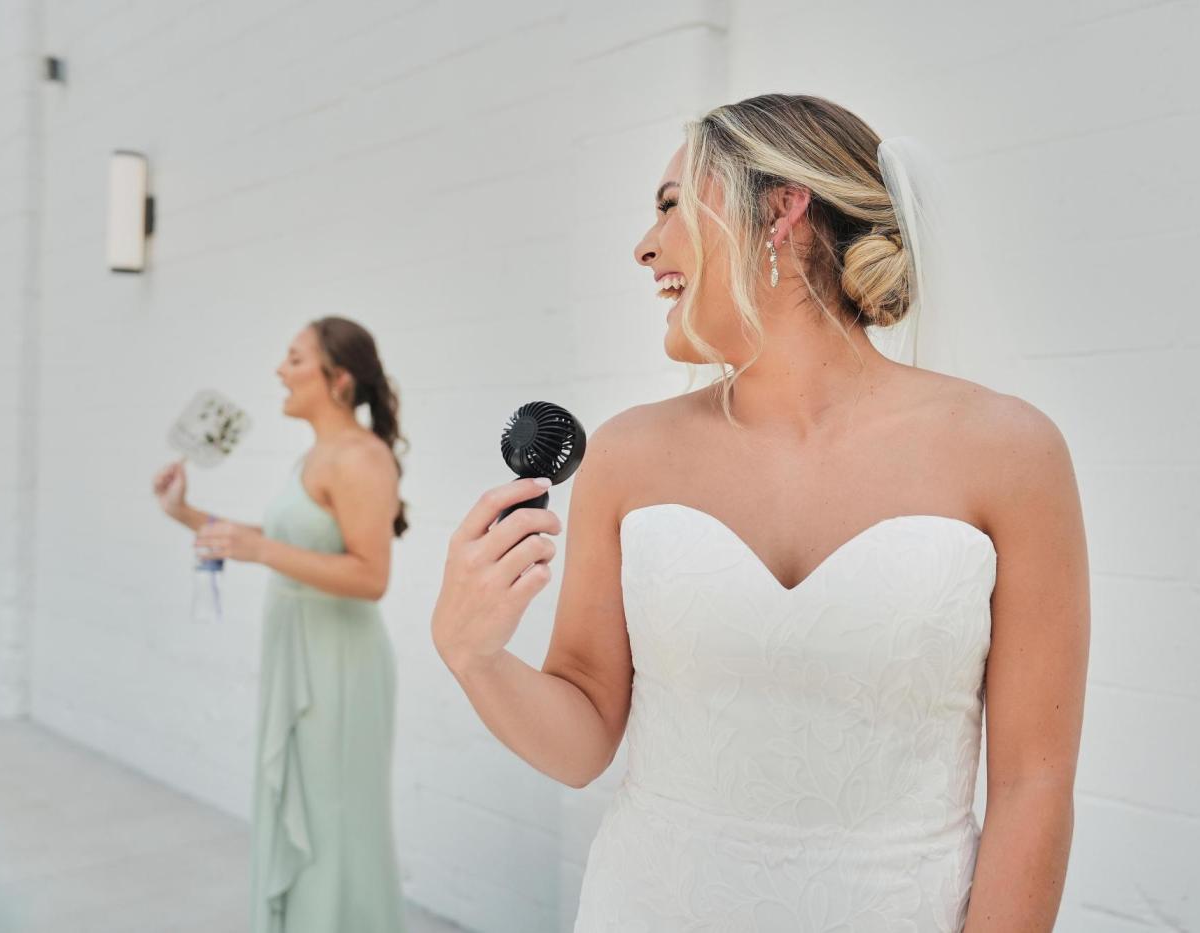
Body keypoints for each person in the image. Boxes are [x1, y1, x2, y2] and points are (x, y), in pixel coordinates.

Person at [431, 93, 1088, 932]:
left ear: (782, 211)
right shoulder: (628, 455)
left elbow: (1034, 784)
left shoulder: (1011, 452)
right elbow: (584, 737)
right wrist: (474, 655)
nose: (644, 246)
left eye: (671, 205)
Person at [153, 316, 410, 933]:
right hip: (297, 649)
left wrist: (262, 552)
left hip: (339, 663)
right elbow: (281, 540)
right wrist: (184, 512)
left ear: (338, 379)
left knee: (335, 820)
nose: (279, 370)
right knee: (310, 810)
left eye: (294, 359)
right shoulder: (313, 456)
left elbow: (371, 576)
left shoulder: (363, 458)